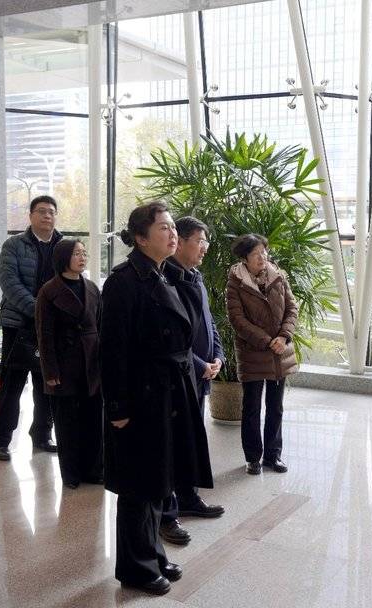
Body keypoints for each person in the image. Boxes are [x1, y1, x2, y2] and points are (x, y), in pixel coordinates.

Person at [100, 201, 214, 595]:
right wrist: (117, 407)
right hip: (140, 397)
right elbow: (112, 351)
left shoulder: (162, 274)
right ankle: (136, 567)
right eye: (164, 228)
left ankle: (153, 554)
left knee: (158, 480)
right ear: (140, 237)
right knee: (138, 485)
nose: (172, 234)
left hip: (167, 394)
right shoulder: (123, 282)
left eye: (173, 228)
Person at [158, 216, 227, 547]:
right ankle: (167, 513)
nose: (205, 248)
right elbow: (172, 336)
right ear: (181, 242)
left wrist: (218, 357)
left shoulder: (194, 276)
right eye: (200, 241)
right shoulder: (166, 279)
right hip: (179, 376)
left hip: (199, 374)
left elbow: (209, 324)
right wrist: (200, 364)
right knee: (171, 444)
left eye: (205, 241)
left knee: (190, 439)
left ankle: (188, 497)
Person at [0, 195, 63, 460]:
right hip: (18, 324)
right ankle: (0, 439)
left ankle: (42, 434)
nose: (47, 216)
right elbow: (9, 283)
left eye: (51, 211)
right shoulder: (14, 245)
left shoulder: (64, 246)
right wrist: (38, 310)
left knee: (47, 384)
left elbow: (70, 281)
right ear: (30, 216)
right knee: (12, 385)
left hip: (51, 327)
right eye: (41, 211)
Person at [225, 234, 298, 475]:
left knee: (276, 407)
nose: (262, 257)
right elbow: (237, 320)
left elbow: (292, 308)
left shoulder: (278, 276)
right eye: (256, 253)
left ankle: (273, 456)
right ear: (244, 258)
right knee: (252, 408)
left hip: (279, 352)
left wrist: (283, 336)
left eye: (264, 252)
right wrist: (268, 341)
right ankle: (253, 458)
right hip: (253, 353)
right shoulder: (235, 282)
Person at [35, 239, 103, 489]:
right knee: (67, 422)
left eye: (84, 253)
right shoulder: (49, 291)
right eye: (77, 253)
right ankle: (71, 473)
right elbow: (44, 334)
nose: (82, 257)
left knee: (93, 419)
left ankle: (94, 470)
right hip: (65, 363)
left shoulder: (92, 287)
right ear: (63, 257)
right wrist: (50, 371)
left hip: (92, 362)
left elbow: (101, 325)